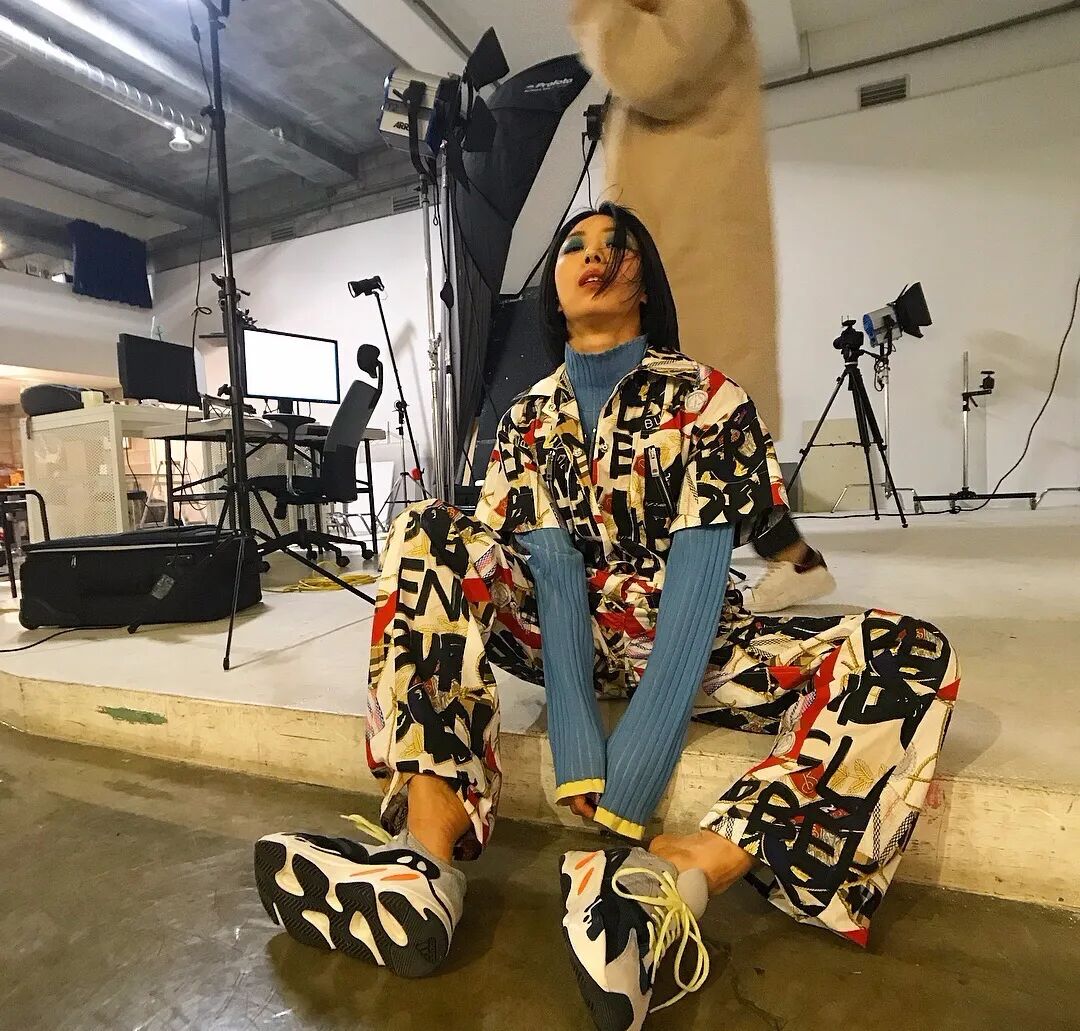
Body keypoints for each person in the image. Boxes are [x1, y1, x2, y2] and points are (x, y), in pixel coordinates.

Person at [253, 206, 959, 1031]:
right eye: (574, 246)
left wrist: (636, 774)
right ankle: (423, 856)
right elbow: (551, 571)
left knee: (909, 651)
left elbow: (699, 576)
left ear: (644, 280)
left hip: (693, 635)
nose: (594, 256)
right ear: (553, 288)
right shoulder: (524, 418)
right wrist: (579, 746)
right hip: (563, 632)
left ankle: (676, 880)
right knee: (427, 530)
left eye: (614, 247)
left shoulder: (709, 398)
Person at [570, 0, 835, 613]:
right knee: (688, 415)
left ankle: (775, 563)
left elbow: (650, 70)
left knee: (697, 411)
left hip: (692, 243)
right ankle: (790, 558)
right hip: (680, 237)